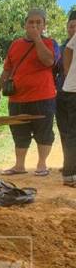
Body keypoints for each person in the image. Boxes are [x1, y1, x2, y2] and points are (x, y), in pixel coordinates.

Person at [0, 9, 59, 177]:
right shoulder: (15, 44)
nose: (34, 25)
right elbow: (6, 70)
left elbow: (48, 61)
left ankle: (42, 164)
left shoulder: (50, 43)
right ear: (25, 25)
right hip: (17, 98)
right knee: (18, 131)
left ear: (44, 26)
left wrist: (37, 39)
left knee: (43, 131)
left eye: (39, 22)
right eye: (31, 22)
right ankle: (19, 165)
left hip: (43, 97)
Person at [58, 27, 76, 187]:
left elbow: (69, 49)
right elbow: (68, 50)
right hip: (74, 90)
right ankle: (70, 175)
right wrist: (68, 72)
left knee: (72, 133)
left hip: (71, 89)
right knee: (73, 133)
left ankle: (70, 174)